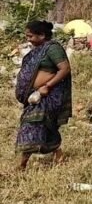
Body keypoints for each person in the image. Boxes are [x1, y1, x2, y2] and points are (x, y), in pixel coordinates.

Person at [15, 20, 72, 170]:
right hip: (36, 96)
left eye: (30, 36)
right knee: (46, 126)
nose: (28, 39)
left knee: (31, 124)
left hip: (49, 95)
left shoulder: (52, 49)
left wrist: (47, 86)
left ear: (41, 35)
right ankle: (58, 155)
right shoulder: (37, 50)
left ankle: (22, 165)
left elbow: (64, 69)